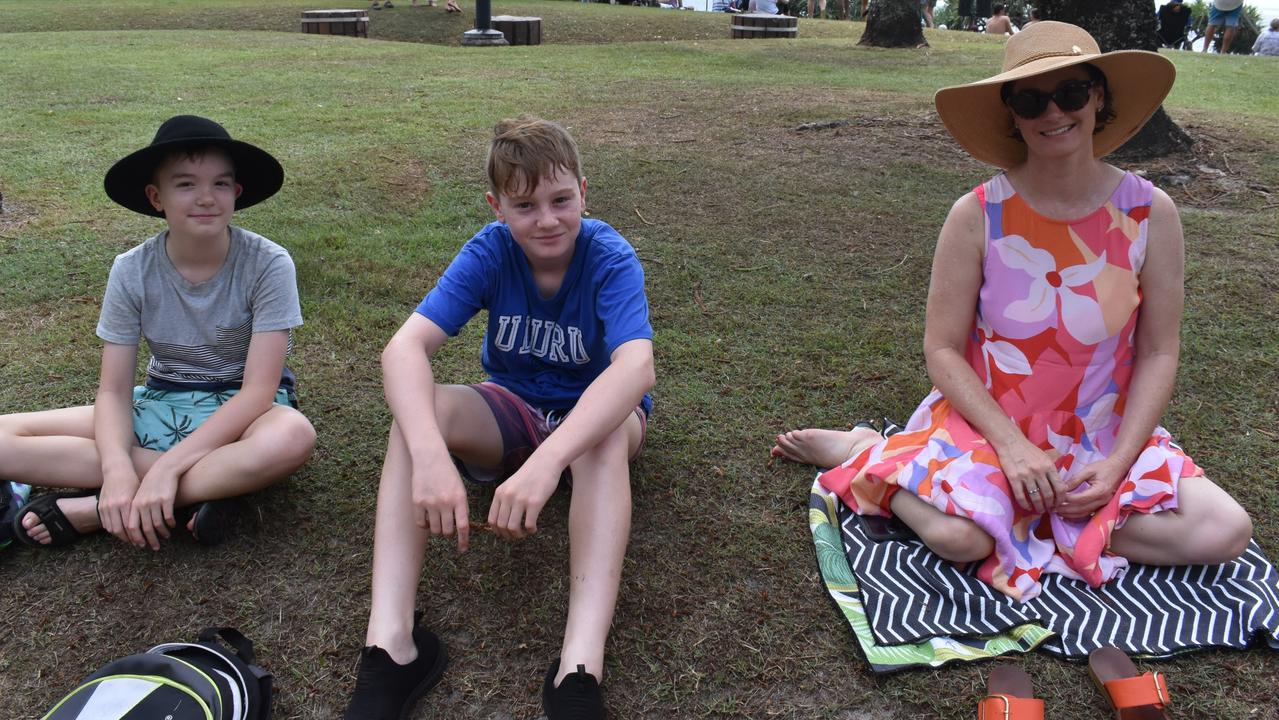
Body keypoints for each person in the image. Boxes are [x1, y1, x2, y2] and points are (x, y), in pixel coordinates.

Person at [773, 22, 1252, 602]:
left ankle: (1036, 520)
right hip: (989, 424)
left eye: (1071, 92)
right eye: (1030, 99)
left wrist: (1118, 461)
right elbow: (942, 349)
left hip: (1101, 430)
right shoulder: (977, 215)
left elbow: (1158, 350)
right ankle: (868, 453)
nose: (1053, 112)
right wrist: (1013, 448)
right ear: (1013, 114)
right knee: (960, 538)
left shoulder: (1152, 214)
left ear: (1099, 98)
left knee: (1225, 531)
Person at [341, 118, 655, 720]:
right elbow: (402, 350)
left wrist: (549, 460)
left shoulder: (609, 255)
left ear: (584, 193)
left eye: (562, 200)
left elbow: (636, 369)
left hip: (593, 425)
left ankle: (577, 673)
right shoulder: (490, 250)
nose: (547, 220)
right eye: (525, 205)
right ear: (497, 206)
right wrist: (433, 456)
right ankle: (390, 649)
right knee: (417, 416)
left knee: (604, 436)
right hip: (511, 407)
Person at [0, 115, 316, 551]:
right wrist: (114, 468)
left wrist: (166, 470)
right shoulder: (132, 269)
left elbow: (257, 393)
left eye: (221, 184)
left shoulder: (268, 263)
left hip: (246, 414)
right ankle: (208, 489)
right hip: (162, 401)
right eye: (185, 184)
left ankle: (101, 510)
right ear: (156, 197)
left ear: (236, 194)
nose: (206, 197)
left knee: (293, 436)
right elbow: (112, 392)